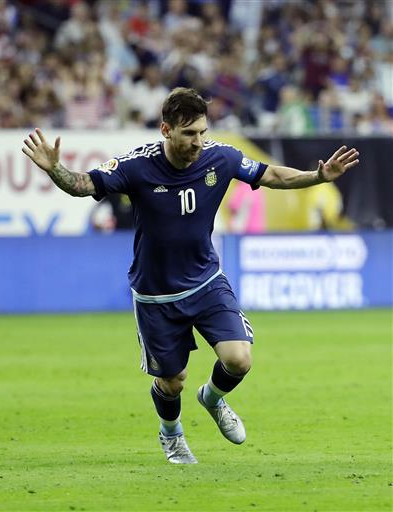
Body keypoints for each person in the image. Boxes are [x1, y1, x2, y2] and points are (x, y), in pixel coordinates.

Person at [22, 87, 359, 464]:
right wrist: (55, 169)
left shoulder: (221, 158)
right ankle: (172, 434)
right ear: (166, 130)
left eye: (202, 131)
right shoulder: (136, 166)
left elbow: (272, 175)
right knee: (172, 381)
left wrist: (319, 175)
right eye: (189, 134)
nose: (198, 141)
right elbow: (84, 185)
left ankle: (212, 398)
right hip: (156, 294)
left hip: (205, 281)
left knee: (239, 358)